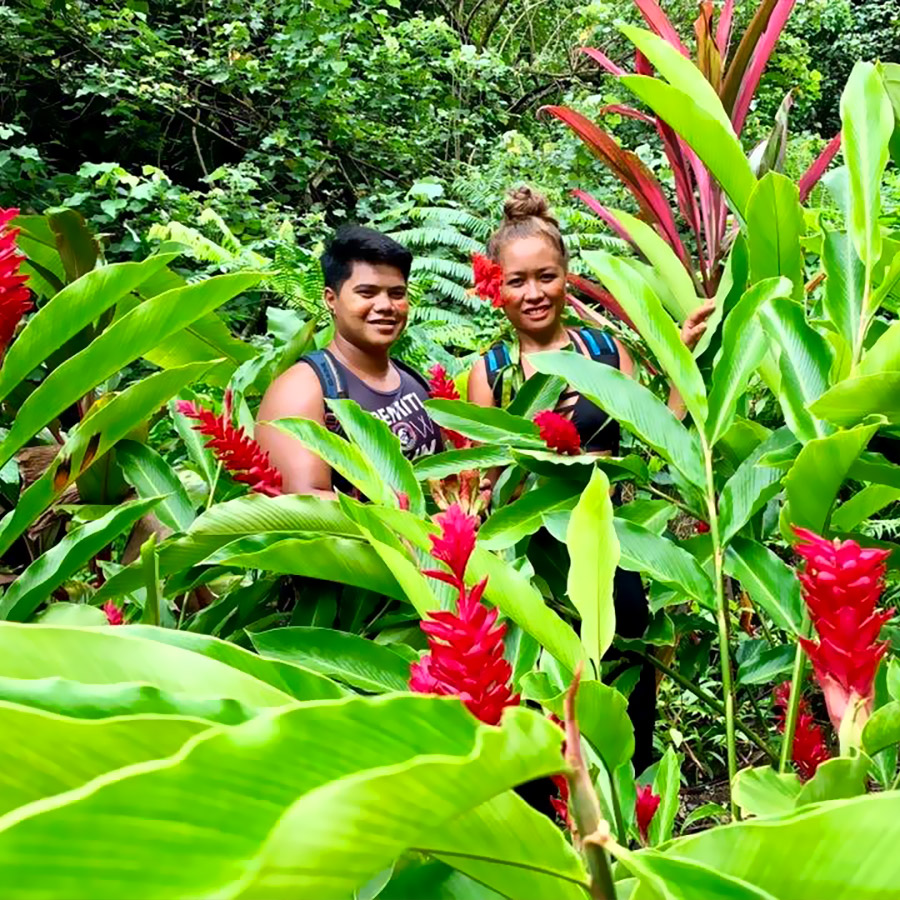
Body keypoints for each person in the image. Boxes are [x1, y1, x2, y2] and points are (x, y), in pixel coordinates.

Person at [468, 187, 714, 777]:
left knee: (629, 674)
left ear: (567, 277)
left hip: (615, 544)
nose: (533, 293)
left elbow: (660, 432)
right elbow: (486, 485)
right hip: (538, 558)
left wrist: (680, 356)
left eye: (546, 276)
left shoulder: (605, 352)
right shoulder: (494, 374)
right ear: (496, 287)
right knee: (549, 684)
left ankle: (633, 799)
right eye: (517, 281)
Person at [256, 225, 442, 497]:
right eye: (367, 293)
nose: (385, 306)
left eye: (397, 293)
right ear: (331, 299)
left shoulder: (414, 380)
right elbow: (305, 503)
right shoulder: (302, 390)